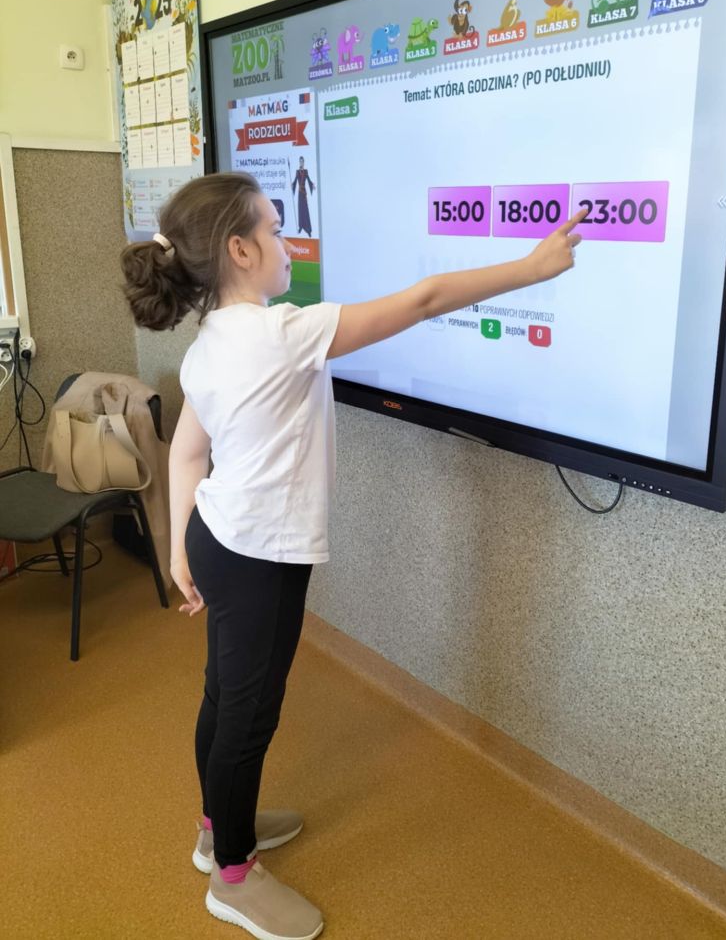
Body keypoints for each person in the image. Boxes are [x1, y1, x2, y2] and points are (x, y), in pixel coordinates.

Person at [119, 172, 584, 940]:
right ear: (239, 250)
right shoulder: (281, 332)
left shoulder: (209, 342)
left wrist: (178, 552)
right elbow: (425, 298)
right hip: (258, 556)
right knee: (248, 713)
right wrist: (531, 268)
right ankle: (231, 873)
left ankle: (216, 828)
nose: (288, 242)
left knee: (225, 695)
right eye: (274, 229)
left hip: (217, 537)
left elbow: (186, 453)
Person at [291, 156, 315, 237]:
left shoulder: (306, 171)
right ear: (299, 162)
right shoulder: (297, 172)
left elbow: (309, 180)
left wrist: (312, 184)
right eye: (300, 161)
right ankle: (301, 226)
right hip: (299, 193)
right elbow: (295, 181)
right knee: (300, 209)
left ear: (304, 162)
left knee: (305, 210)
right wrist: (292, 184)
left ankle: (308, 229)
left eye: (302, 161)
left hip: (304, 193)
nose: (301, 163)